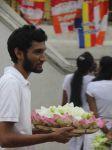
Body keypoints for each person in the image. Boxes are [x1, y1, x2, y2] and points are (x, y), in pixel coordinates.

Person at [0, 24, 79, 150]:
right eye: (38, 52)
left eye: (43, 52)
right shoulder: (11, 83)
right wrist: (52, 136)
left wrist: (50, 131)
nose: (43, 58)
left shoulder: (20, 82)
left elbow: (20, 132)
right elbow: (5, 138)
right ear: (19, 53)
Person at [61, 52, 95, 150]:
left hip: (71, 118)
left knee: (73, 146)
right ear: (91, 66)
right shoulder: (93, 80)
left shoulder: (68, 78)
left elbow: (64, 102)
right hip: (87, 119)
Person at [84, 56, 112, 150]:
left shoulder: (92, 86)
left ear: (101, 68)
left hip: (96, 129)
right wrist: (110, 133)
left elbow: (94, 114)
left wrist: (106, 131)